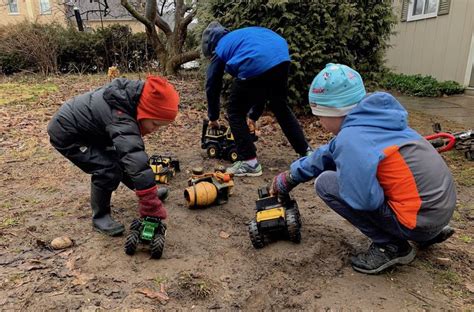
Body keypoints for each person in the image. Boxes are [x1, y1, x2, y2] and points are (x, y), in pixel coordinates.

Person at [270, 63, 456, 274]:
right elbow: (328, 152)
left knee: (327, 184)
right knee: (384, 176)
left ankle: (391, 246)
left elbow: (365, 201)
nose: (319, 121)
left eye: (319, 115)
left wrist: (350, 174)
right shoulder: (377, 119)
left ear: (335, 111)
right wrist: (291, 176)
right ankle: (428, 235)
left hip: (419, 222)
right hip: (439, 212)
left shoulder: (352, 139)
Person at [47, 76, 179, 236]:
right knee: (107, 168)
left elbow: (129, 157)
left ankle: (143, 189)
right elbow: (134, 158)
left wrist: (148, 191)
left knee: (121, 158)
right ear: (145, 111)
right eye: (155, 124)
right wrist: (149, 201)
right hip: (68, 134)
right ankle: (100, 216)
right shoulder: (120, 116)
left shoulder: (130, 101)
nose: (154, 130)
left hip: (93, 132)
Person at [201, 22, 311, 177]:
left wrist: (213, 117)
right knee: (280, 105)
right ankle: (306, 152)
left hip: (258, 60)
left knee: (234, 110)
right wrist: (253, 116)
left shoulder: (220, 48)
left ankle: (249, 162)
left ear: (211, 46)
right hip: (281, 57)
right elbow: (261, 85)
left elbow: (212, 84)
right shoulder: (240, 37)